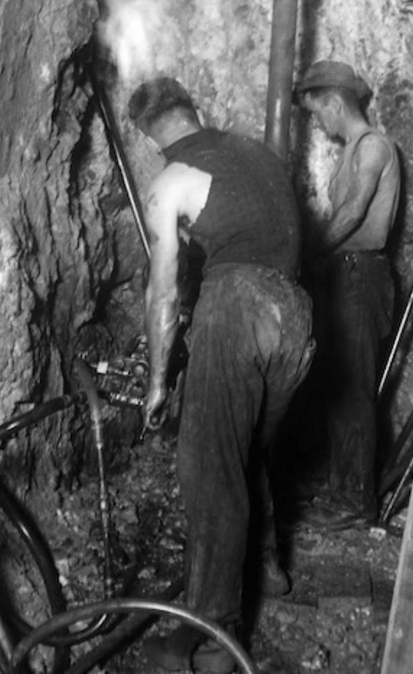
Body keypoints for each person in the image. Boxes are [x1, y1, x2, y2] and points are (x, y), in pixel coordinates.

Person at [127, 77, 314, 673]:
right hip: (297, 315)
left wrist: (158, 382)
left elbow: (162, 298)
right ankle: (266, 567)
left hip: (237, 307)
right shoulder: (258, 155)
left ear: (152, 139)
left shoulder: (170, 182)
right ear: (196, 110)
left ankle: (212, 644)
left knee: (208, 468)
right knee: (246, 446)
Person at [294, 60, 401, 524]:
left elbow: (355, 211)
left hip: (362, 277)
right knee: (339, 391)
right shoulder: (354, 148)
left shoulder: (374, 146)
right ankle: (343, 491)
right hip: (347, 276)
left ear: (336, 102)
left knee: (355, 391)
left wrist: (308, 250)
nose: (321, 123)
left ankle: (356, 504)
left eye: (320, 113)